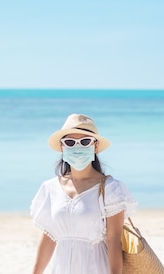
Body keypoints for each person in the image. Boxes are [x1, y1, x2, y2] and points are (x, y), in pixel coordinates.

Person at [30, 114, 138, 274]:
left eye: (85, 141)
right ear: (62, 147)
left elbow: (114, 240)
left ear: (95, 146)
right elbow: (49, 237)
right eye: (70, 142)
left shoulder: (111, 189)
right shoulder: (50, 188)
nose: (77, 147)